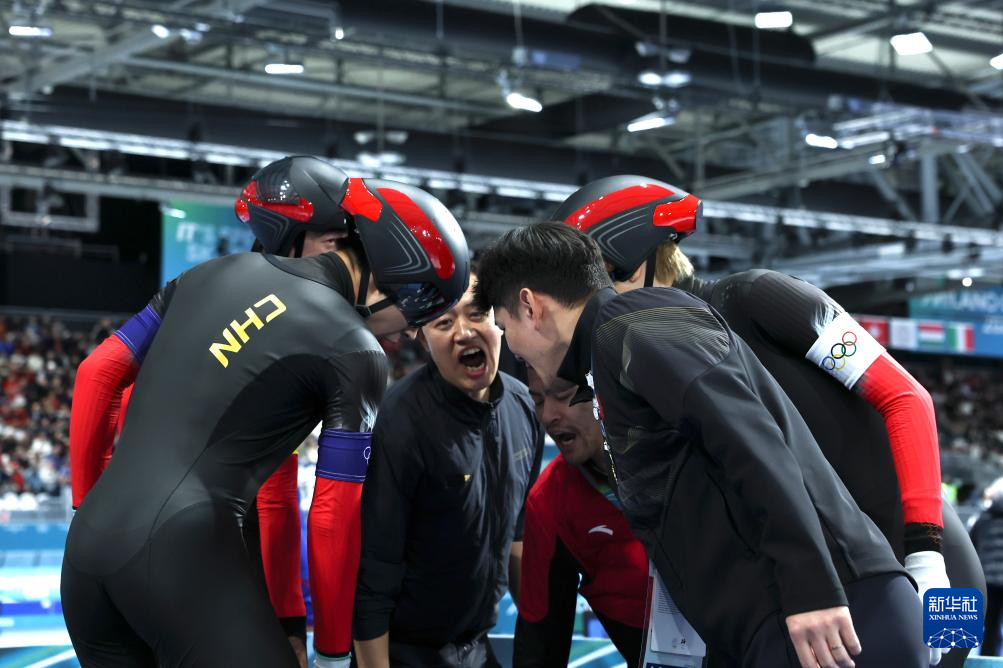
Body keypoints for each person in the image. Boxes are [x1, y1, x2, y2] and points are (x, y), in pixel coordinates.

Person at [555, 174, 986, 668]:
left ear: (623, 262)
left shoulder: (754, 298)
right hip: (844, 582)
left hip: (932, 565)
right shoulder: (649, 359)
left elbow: (908, 398)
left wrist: (926, 556)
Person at [62, 173, 470, 667]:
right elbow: (333, 516)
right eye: (420, 311)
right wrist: (333, 651)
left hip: (85, 555)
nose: (408, 333)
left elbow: (96, 372)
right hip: (178, 556)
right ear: (398, 279)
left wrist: (89, 508)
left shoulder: (209, 272)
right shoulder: (356, 349)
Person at [473, 222, 925, 668]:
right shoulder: (613, 346)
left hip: (825, 611)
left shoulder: (632, 323)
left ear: (530, 306)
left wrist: (812, 586)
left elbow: (748, 439)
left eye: (505, 327)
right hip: (788, 615)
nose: (513, 349)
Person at [353, 270, 544, 668]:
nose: (464, 332)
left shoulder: (524, 406)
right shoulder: (400, 423)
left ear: (498, 320)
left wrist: (539, 642)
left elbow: (519, 537)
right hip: (406, 653)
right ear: (422, 339)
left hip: (475, 646)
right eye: (443, 323)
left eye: (476, 314)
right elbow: (373, 578)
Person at [515, 366, 647, 667]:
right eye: (538, 400)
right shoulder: (549, 502)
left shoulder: (688, 448)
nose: (548, 415)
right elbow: (539, 644)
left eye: (563, 395)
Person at [971, 478, 1003, 655]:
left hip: (988, 580)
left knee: (990, 624)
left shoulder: (983, 519)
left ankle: (988, 660)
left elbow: (972, 546)